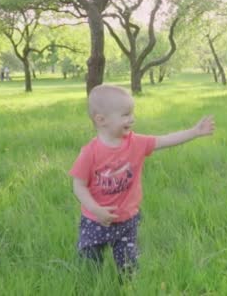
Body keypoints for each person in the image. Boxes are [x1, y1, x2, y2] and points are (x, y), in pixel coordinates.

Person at [69, 84, 215, 275]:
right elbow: (78, 185)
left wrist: (194, 132)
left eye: (132, 113)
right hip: (96, 221)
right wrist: (96, 210)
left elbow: (165, 140)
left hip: (126, 219)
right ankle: (90, 285)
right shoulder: (90, 153)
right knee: (90, 262)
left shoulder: (136, 143)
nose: (132, 118)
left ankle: (128, 287)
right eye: (125, 115)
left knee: (129, 265)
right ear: (101, 119)